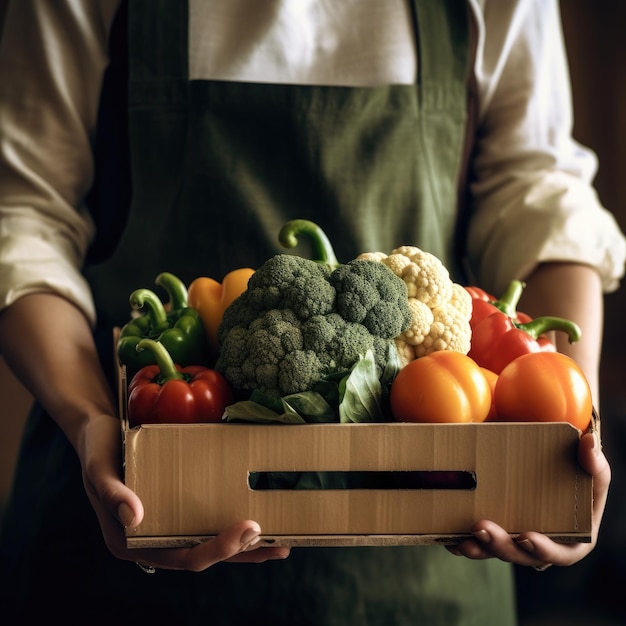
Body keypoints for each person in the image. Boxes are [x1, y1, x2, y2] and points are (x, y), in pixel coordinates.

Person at [0, 1, 623, 624]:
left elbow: (538, 189)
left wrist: (570, 425)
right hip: (124, 514)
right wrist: (89, 418)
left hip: (428, 549)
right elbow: (24, 212)